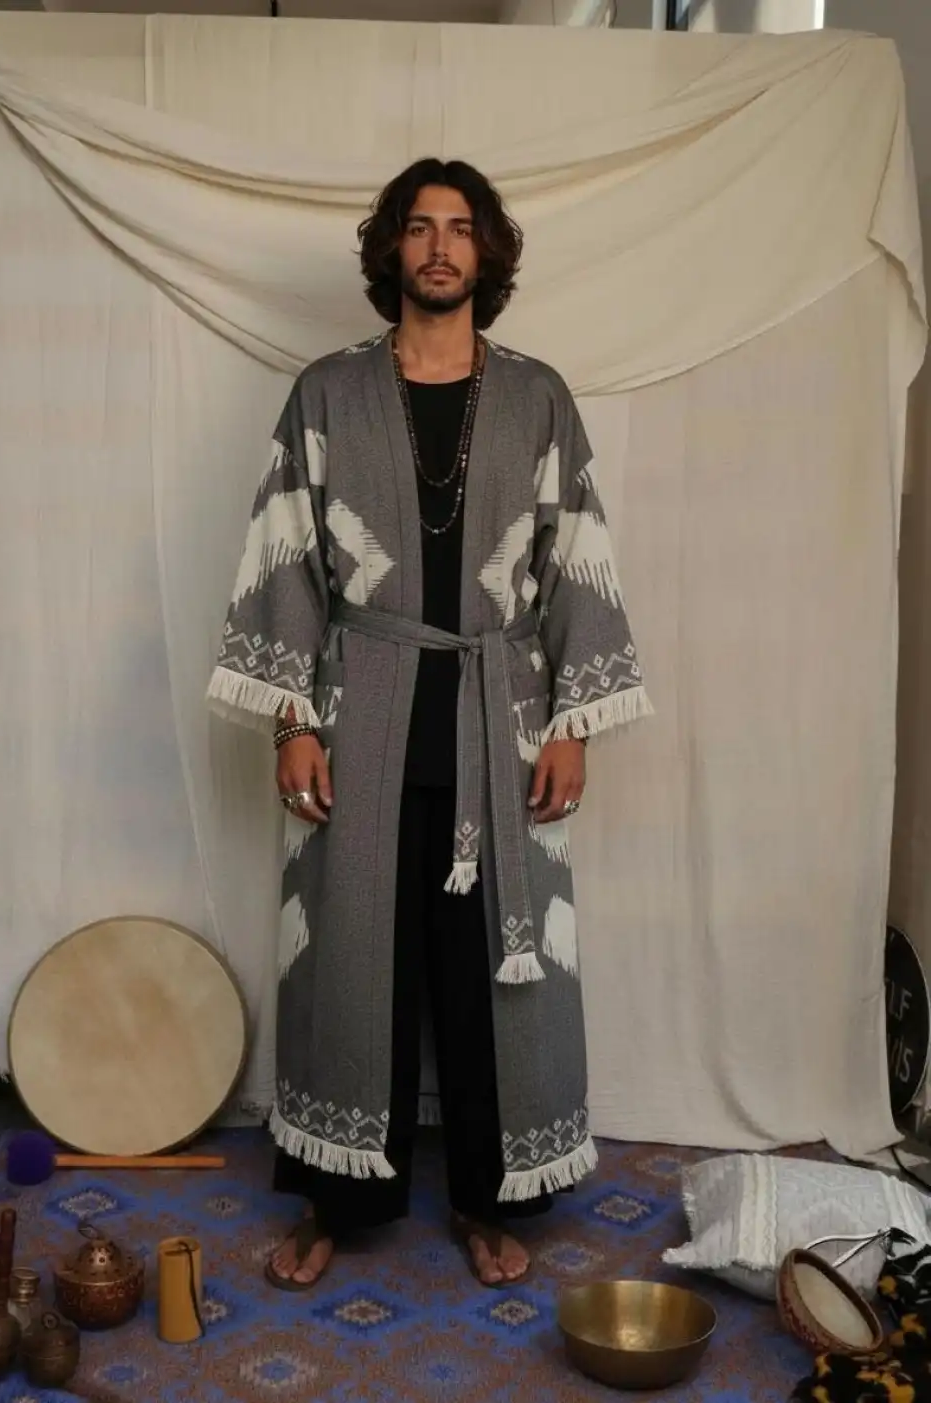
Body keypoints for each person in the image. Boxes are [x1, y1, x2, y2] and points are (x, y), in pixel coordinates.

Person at [207, 157, 650, 1291]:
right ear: (392, 250)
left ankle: (486, 1201)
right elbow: (287, 555)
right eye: (419, 226)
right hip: (360, 711)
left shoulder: (539, 398)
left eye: (460, 228)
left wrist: (572, 723)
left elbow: (574, 553)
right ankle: (337, 1201)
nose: (440, 246)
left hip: (500, 720)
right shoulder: (327, 392)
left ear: (485, 252)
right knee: (351, 957)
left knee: (491, 971)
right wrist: (291, 722)